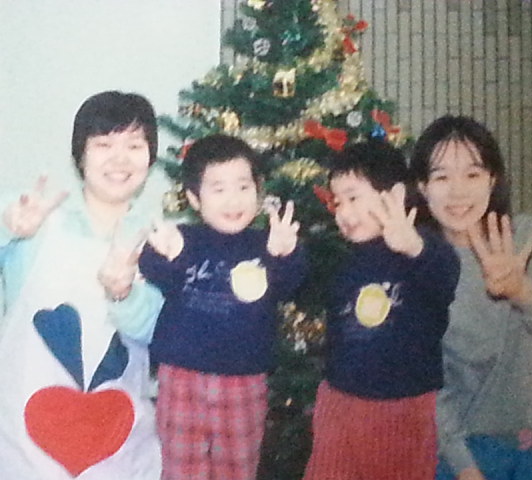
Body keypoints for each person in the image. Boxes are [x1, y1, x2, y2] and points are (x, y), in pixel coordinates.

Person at [409, 115, 532, 480]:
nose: (458, 192)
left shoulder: (526, 235)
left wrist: (521, 290)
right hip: (464, 445)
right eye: (442, 177)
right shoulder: (416, 263)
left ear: (492, 180)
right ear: (423, 187)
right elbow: (427, 382)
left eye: (472, 174)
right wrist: (464, 467)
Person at [0, 90, 162, 479]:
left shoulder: (160, 240)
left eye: (134, 145)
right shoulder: (39, 222)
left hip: (121, 447)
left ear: (150, 157)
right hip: (25, 452)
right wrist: (9, 230)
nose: (120, 159)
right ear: (80, 156)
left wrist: (124, 295)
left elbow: (156, 332)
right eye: (103, 144)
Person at [138, 133, 307, 480]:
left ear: (258, 190)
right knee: (181, 469)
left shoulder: (266, 244)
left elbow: (292, 283)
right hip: (182, 379)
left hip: (244, 381)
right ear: (194, 198)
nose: (234, 199)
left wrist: (284, 255)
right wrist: (169, 255)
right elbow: (154, 270)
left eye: (243, 187)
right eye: (218, 189)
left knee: (238, 468)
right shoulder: (184, 239)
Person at [303, 139, 461, 480]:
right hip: (339, 400)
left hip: (402, 407)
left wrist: (413, 246)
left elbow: (445, 279)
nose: (343, 213)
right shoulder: (346, 263)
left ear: (395, 195)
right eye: (337, 202)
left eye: (353, 198)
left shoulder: (423, 248)